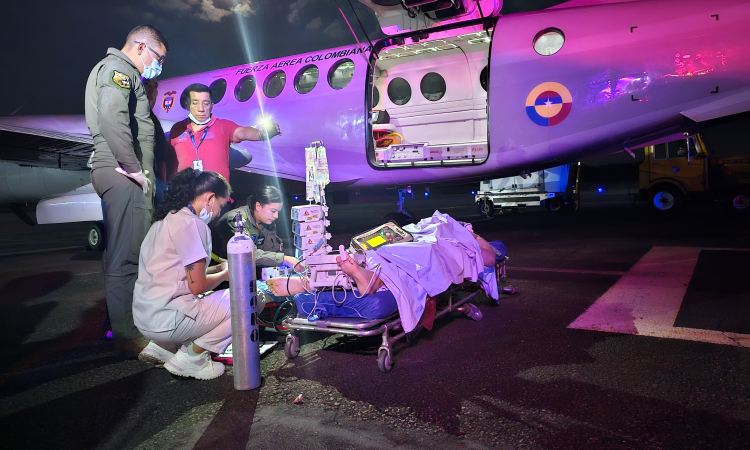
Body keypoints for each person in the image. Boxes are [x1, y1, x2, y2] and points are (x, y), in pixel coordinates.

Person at [85, 24, 169, 358]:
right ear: (140, 46)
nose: (158, 66)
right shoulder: (118, 71)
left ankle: (130, 326)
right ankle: (126, 334)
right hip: (123, 172)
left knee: (129, 253)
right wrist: (134, 169)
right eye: (157, 57)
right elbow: (112, 116)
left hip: (128, 172)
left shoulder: (127, 74)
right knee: (126, 259)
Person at [133, 168, 231, 380]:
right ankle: (192, 358)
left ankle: (161, 348)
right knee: (247, 300)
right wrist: (227, 275)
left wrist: (219, 270)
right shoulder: (192, 224)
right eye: (220, 206)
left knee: (205, 301)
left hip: (146, 318)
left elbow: (178, 273)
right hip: (168, 320)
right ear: (210, 198)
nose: (217, 213)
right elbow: (197, 285)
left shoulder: (164, 220)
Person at [168, 83, 282, 184]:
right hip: (184, 198)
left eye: (206, 103)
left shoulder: (223, 126)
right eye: (195, 103)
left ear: (212, 105)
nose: (201, 109)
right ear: (186, 105)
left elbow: (242, 132)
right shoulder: (177, 130)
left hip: (215, 199)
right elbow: (169, 161)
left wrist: (262, 134)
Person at [215, 185, 300, 269]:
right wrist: (285, 259)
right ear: (258, 206)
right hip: (224, 272)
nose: (276, 216)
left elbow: (272, 251)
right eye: (273, 211)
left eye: (278, 212)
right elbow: (248, 254)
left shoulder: (267, 221)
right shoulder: (236, 220)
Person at [143, 78, 177, 206]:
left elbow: (162, 156)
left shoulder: (153, 120)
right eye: (146, 84)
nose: (152, 90)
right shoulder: (129, 117)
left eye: (155, 86)